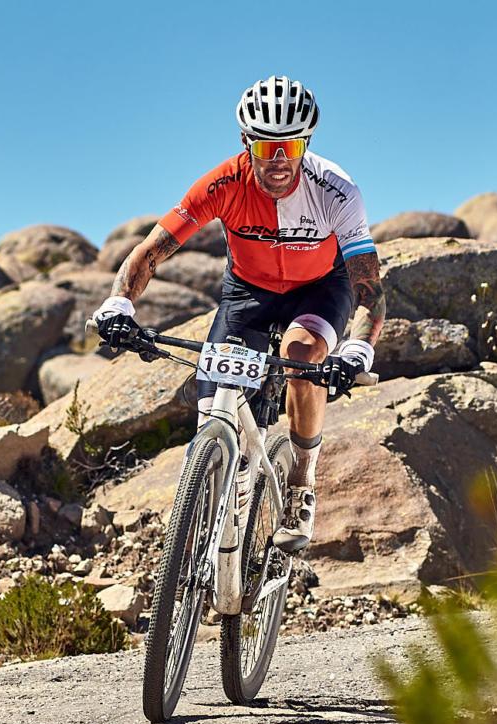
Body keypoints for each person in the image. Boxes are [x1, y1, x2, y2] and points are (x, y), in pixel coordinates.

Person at [91, 75, 386, 553]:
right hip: (248, 294)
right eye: (266, 147)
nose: (278, 161)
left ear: (306, 143)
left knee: (302, 357)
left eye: (290, 147)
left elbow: (368, 287)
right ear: (246, 141)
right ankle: (215, 500)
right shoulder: (222, 183)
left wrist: (357, 350)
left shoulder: (337, 191)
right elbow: (150, 252)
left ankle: (301, 485)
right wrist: (118, 303)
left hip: (318, 290)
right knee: (213, 410)